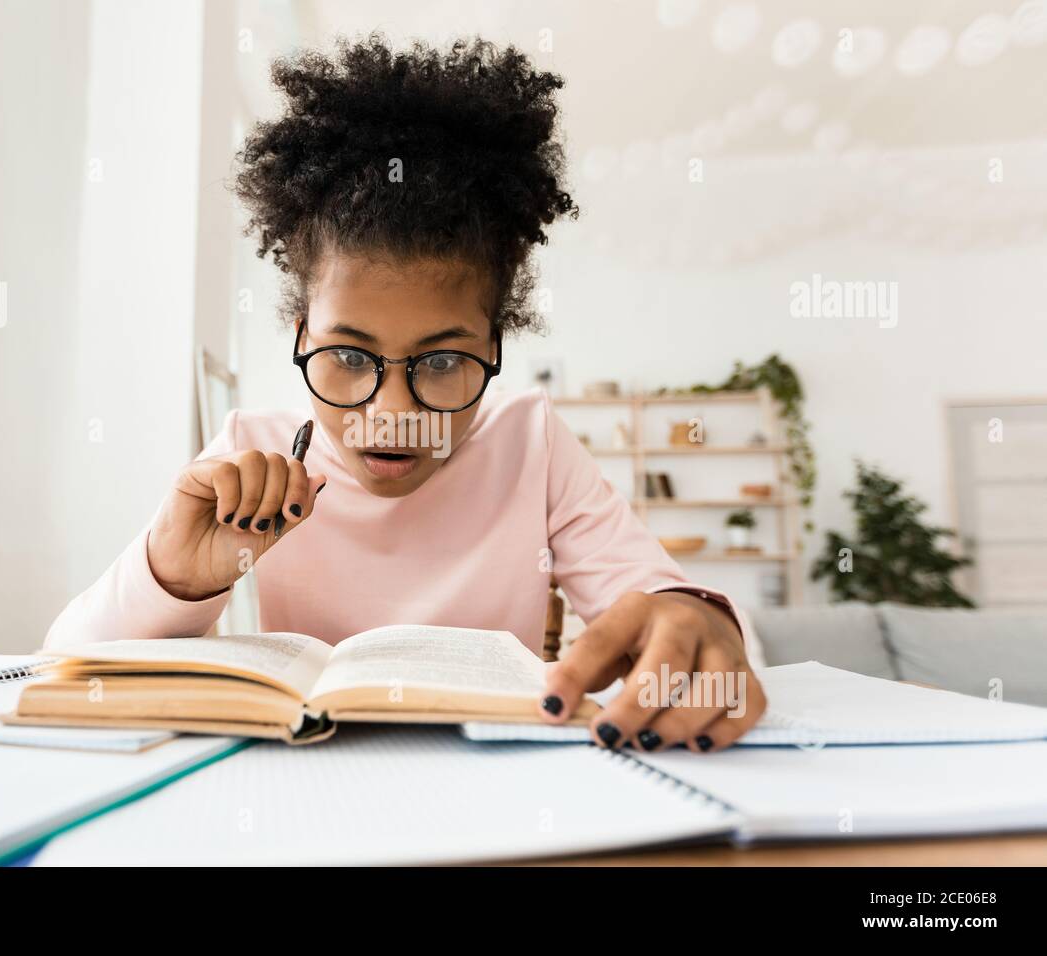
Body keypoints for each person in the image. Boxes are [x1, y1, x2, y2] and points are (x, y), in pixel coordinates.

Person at [46, 34, 767, 753]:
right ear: (301, 337)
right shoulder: (249, 455)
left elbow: (663, 606)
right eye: (348, 356)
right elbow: (62, 668)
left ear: (494, 348)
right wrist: (172, 579)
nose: (391, 414)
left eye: (444, 360)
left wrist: (697, 619)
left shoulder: (533, 446)